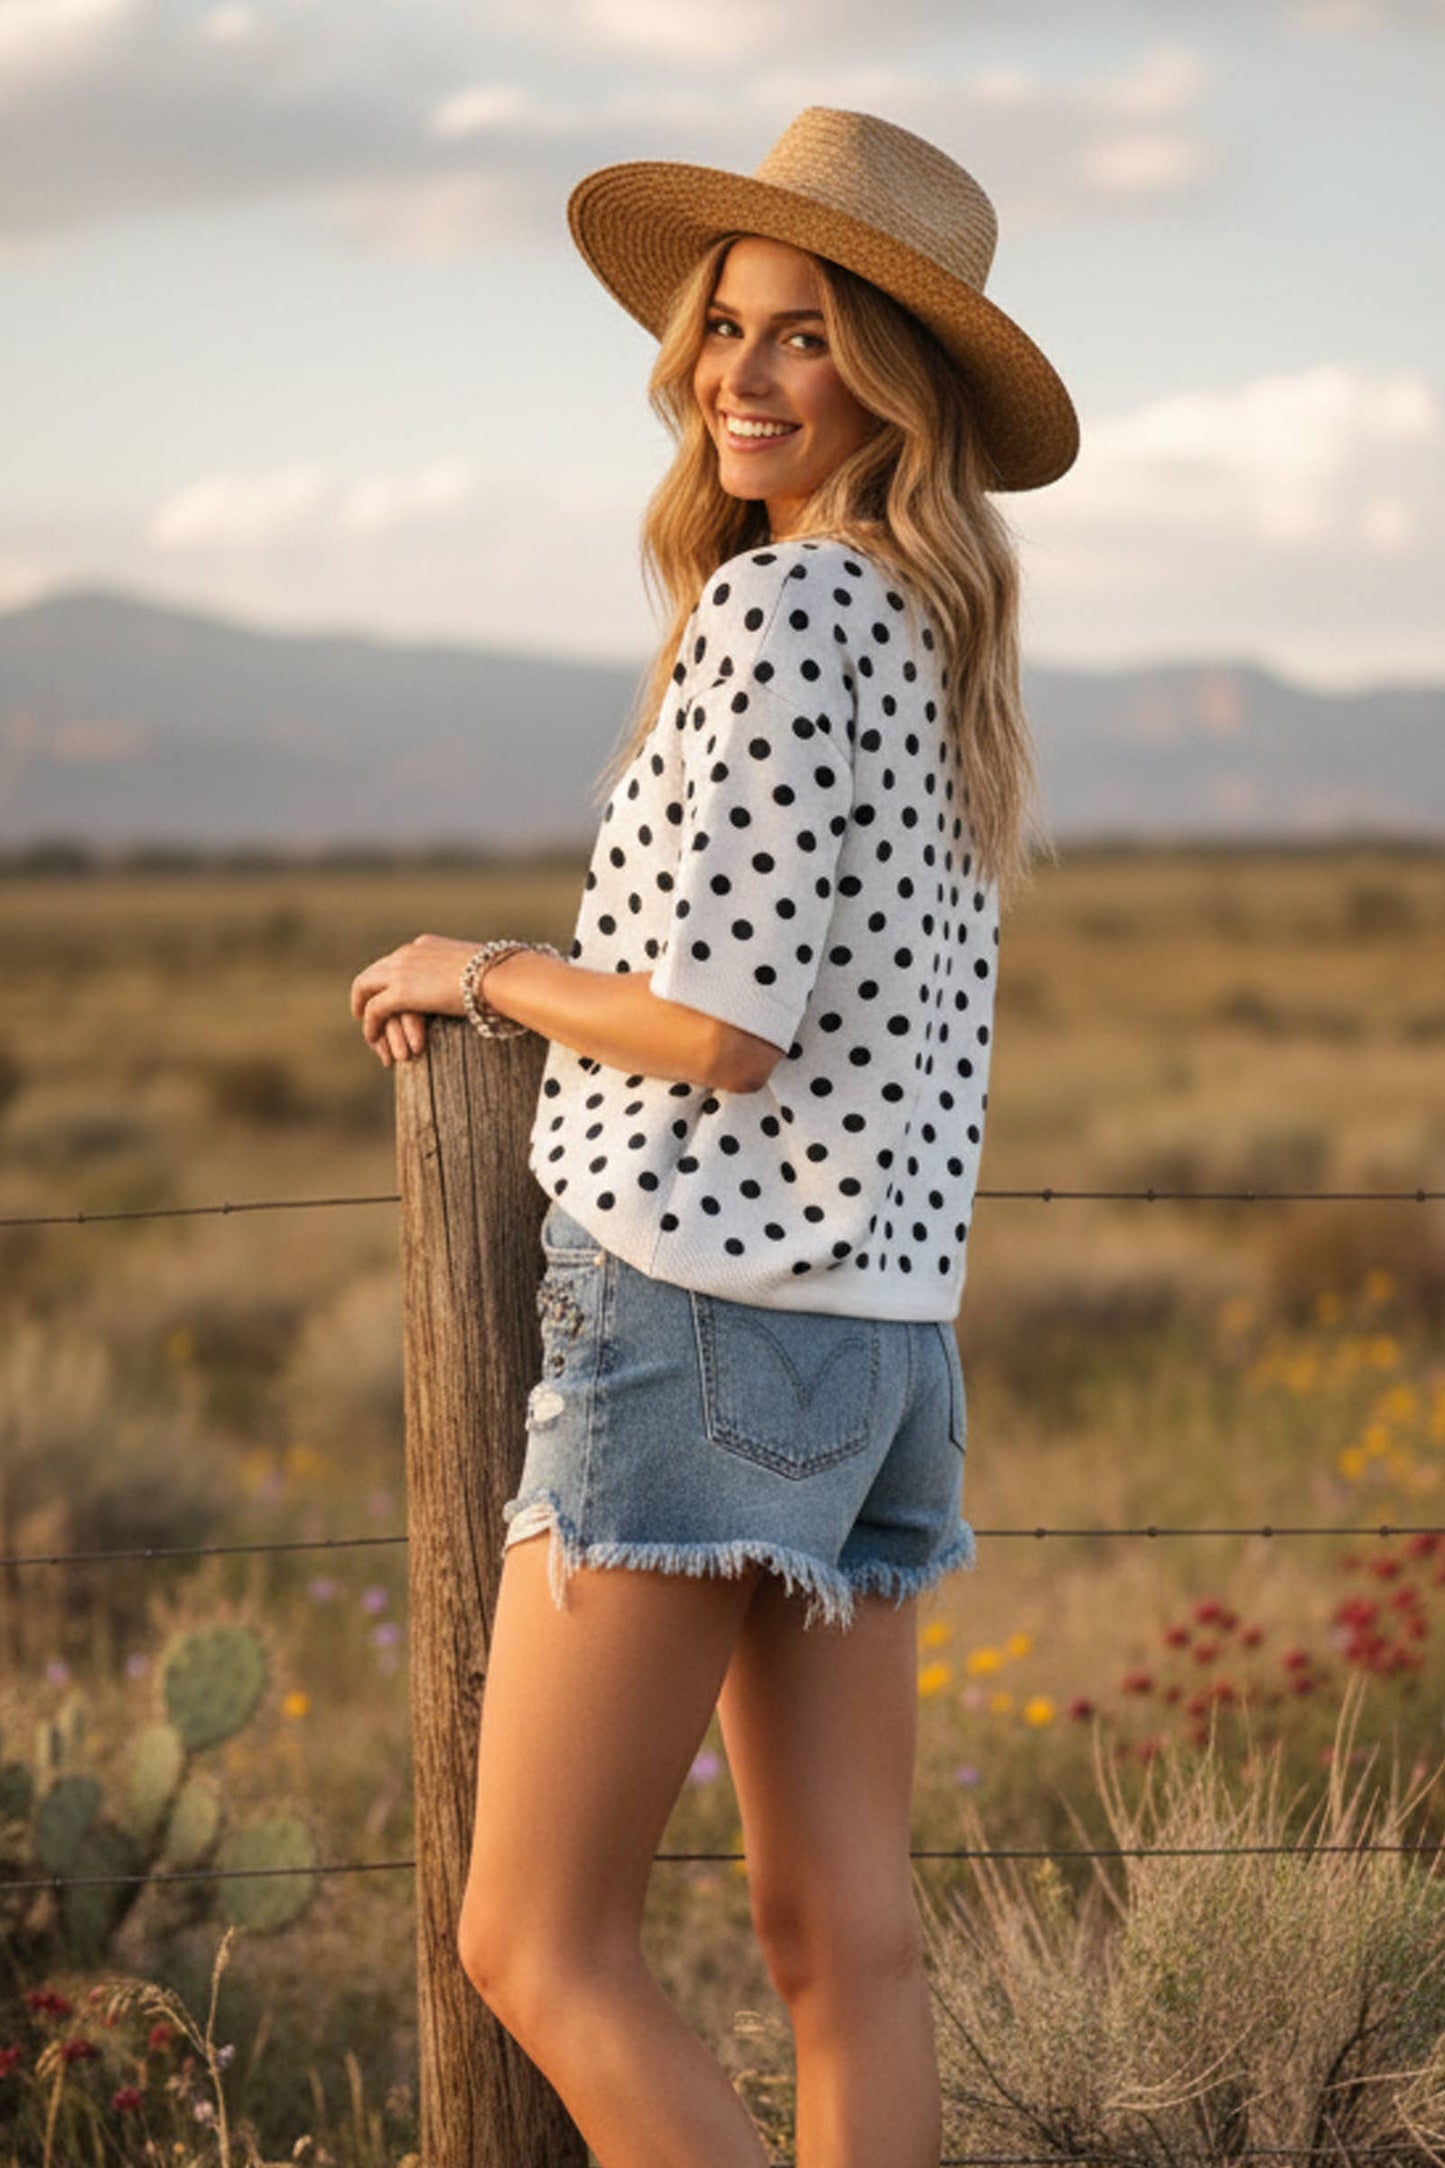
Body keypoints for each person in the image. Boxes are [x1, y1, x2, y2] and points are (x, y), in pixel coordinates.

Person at [349, 104, 1078, 2168]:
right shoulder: (937, 638)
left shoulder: (783, 620)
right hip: (881, 1341)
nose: (740, 379)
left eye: (809, 339)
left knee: (535, 1938)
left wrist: (481, 969)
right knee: (850, 1945)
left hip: (696, 1318)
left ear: (896, 384)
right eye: (726, 329)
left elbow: (712, 1030)